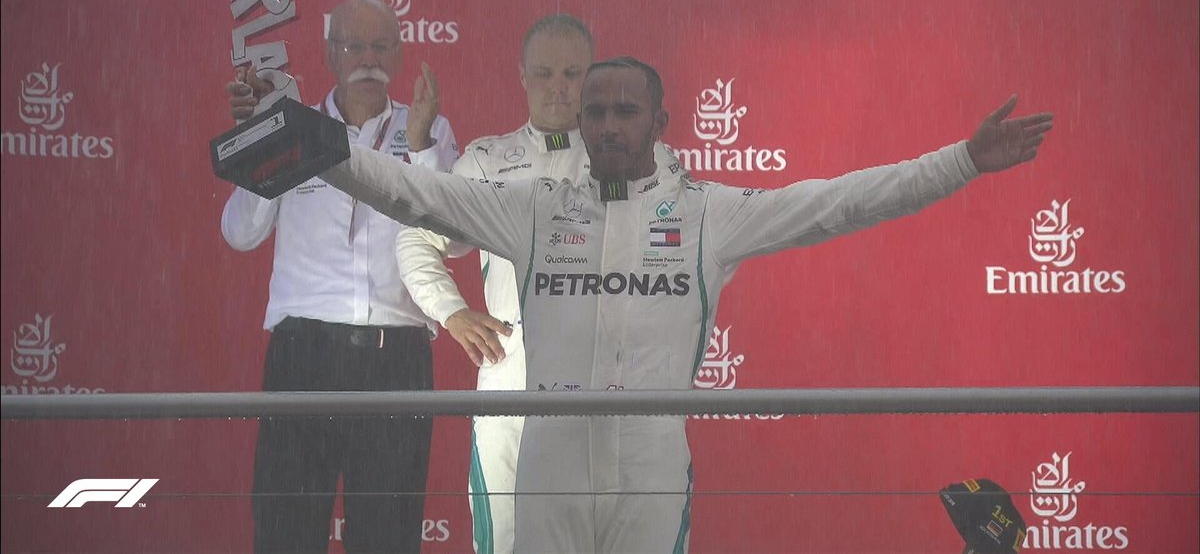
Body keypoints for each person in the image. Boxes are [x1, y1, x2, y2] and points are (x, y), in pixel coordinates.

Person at [317, 56, 1053, 553]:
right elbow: (408, 191)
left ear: (660, 121)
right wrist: (294, 136)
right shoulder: (532, 208)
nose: (609, 125)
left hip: (651, 460)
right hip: (552, 459)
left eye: (626, 111)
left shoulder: (707, 214)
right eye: (596, 112)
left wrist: (961, 161)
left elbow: (840, 204)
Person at [394, 15, 680, 554]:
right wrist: (452, 311)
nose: (558, 87)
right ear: (522, 76)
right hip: (512, 393)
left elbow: (683, 251)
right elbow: (415, 238)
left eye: (573, 74)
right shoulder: (485, 162)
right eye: (544, 73)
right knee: (507, 544)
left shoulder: (643, 160)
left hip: (611, 397)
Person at [220, 0, 458, 553]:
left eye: (380, 46)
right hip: (304, 354)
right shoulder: (292, 127)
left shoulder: (428, 127)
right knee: (286, 533)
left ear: (399, 55)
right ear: (331, 54)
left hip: (396, 358)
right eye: (355, 46)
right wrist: (267, 140)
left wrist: (423, 150)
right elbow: (240, 233)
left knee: (388, 538)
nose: (368, 59)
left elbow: (454, 241)